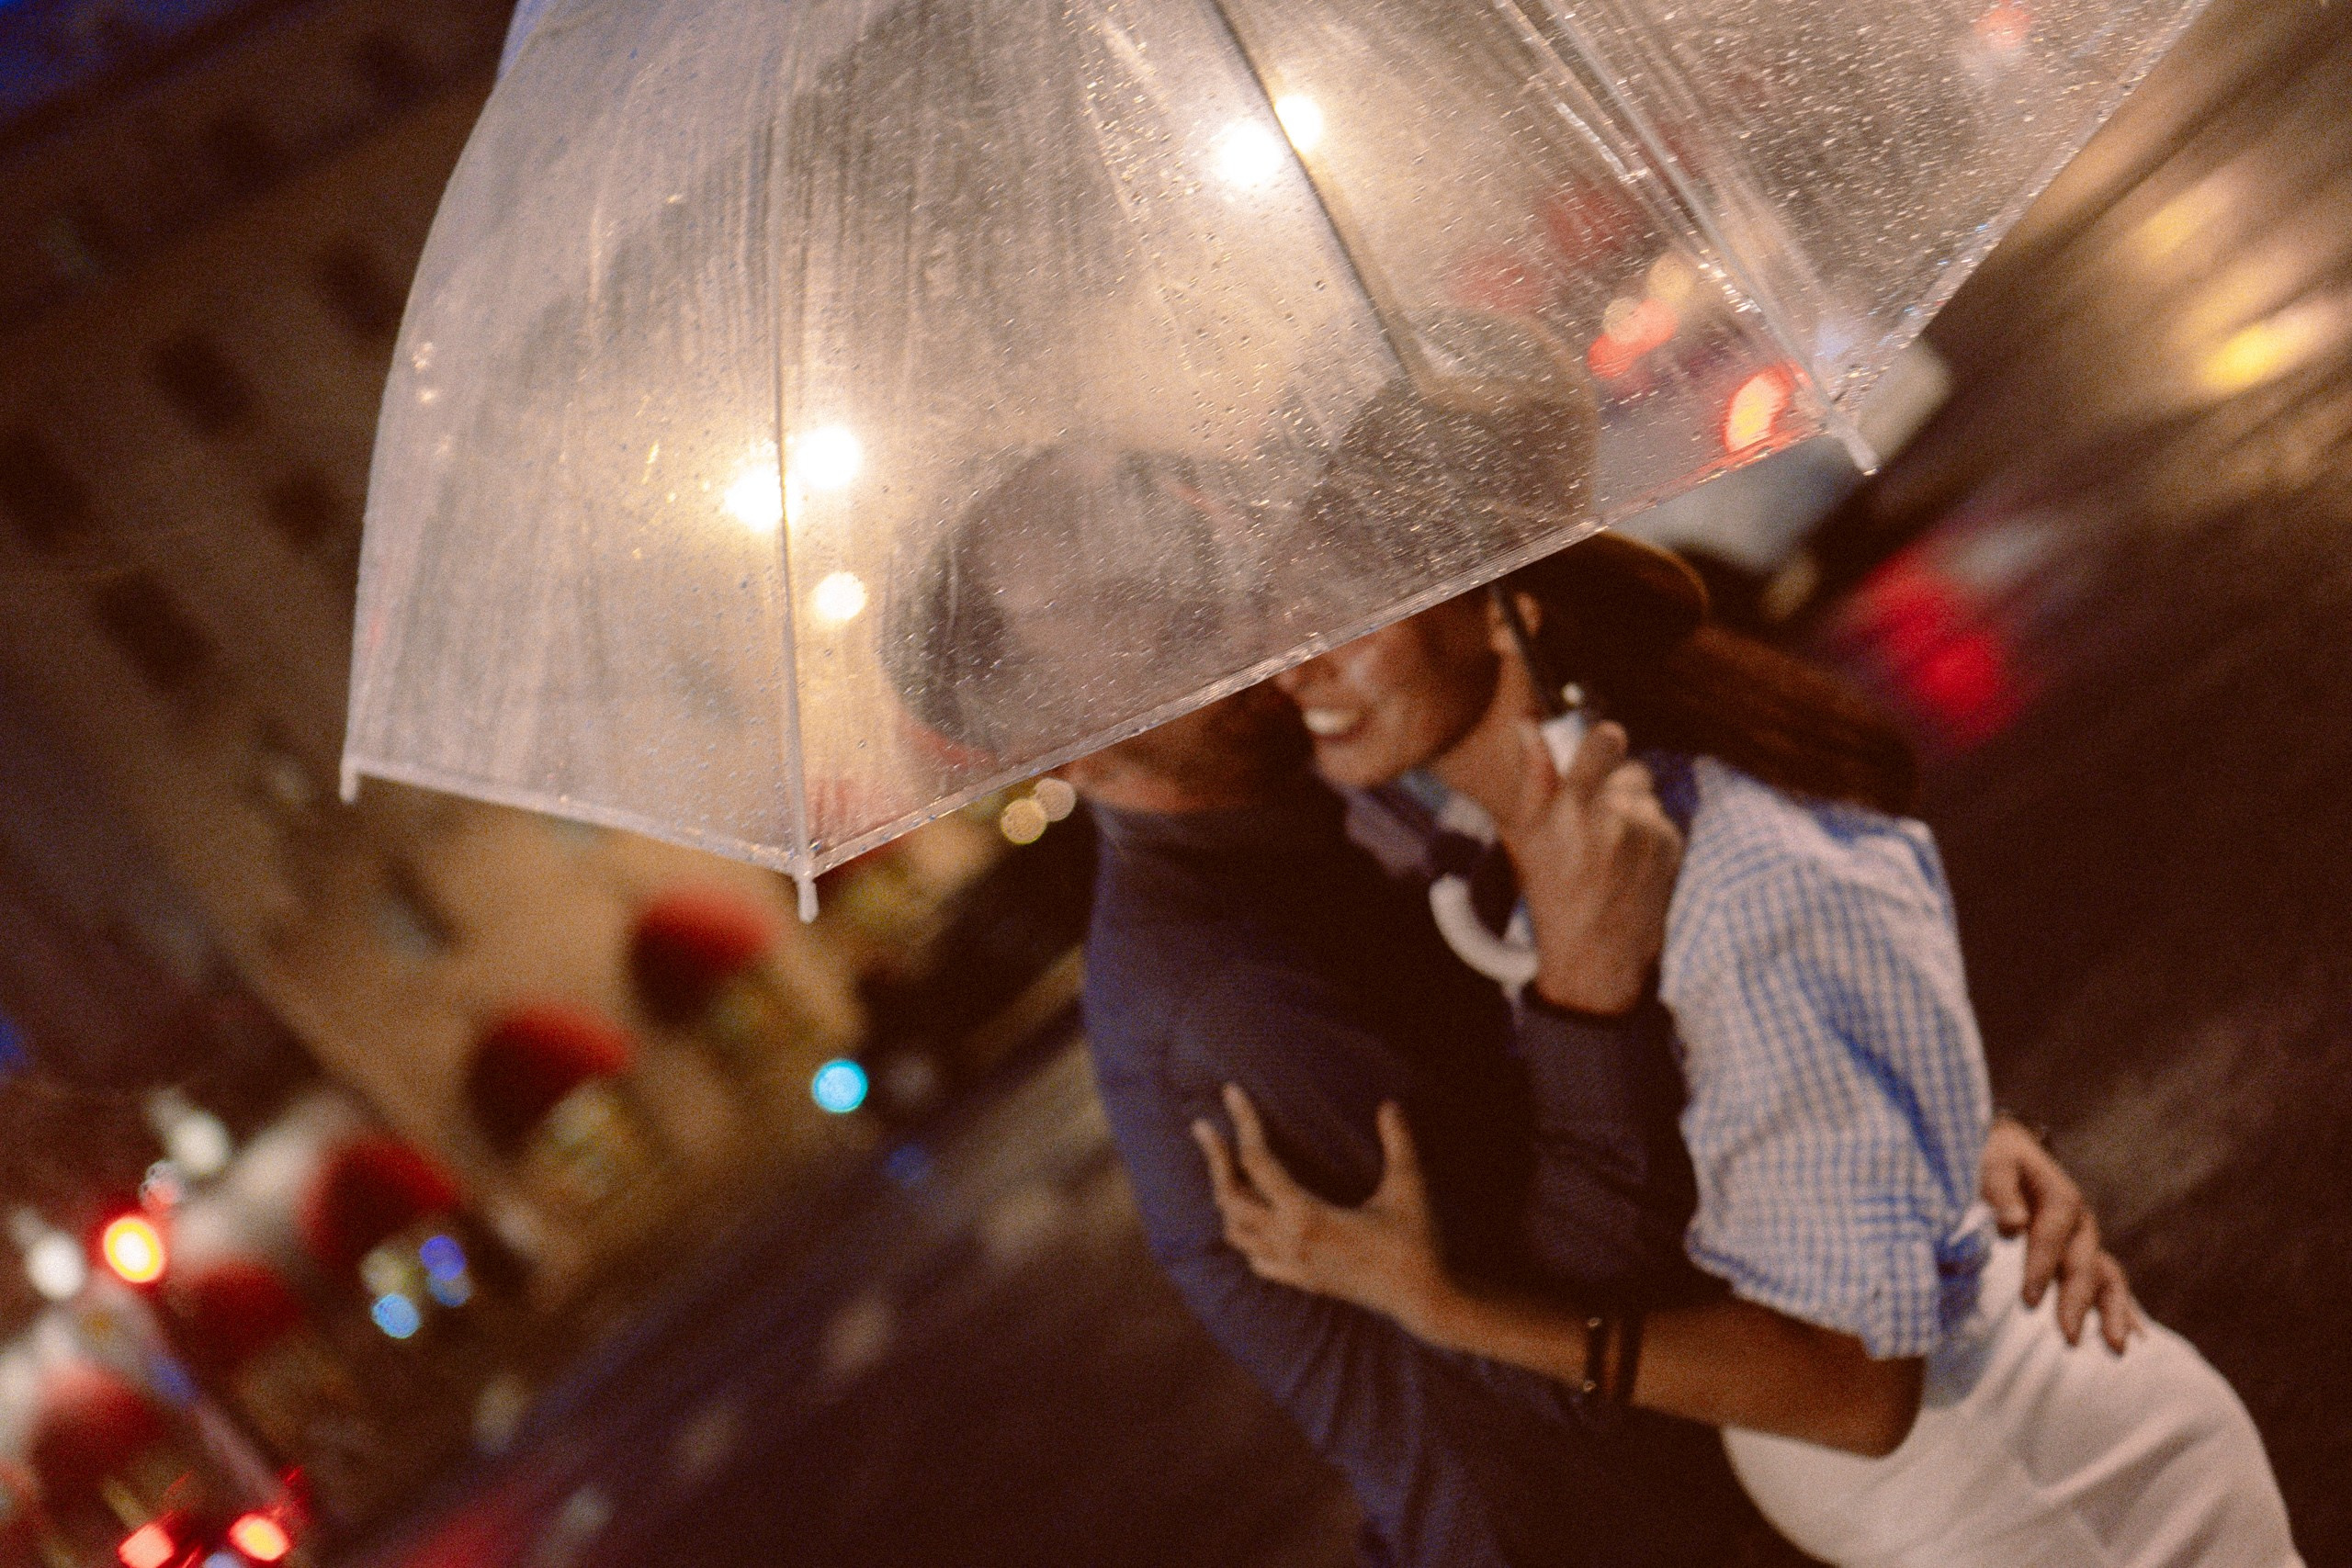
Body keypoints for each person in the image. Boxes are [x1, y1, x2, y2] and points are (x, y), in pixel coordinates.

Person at [900, 438, 2144, 1567]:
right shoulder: (1230, 999)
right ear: (1051, 747)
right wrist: (1583, 996)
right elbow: (1555, 1347)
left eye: (1168, 531)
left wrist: (1918, 1115)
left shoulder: (1351, 786)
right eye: (1115, 601)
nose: (1202, 592)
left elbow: (1740, 1008)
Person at [1195, 385, 2301, 1566]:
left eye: (1348, 618)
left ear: (1501, 605)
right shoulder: (1507, 860)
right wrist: (1947, 1133)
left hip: (2056, 1502)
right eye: (1285, 621)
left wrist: (1443, 1303)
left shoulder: (1737, 878)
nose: (1297, 670)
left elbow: (1859, 1393)